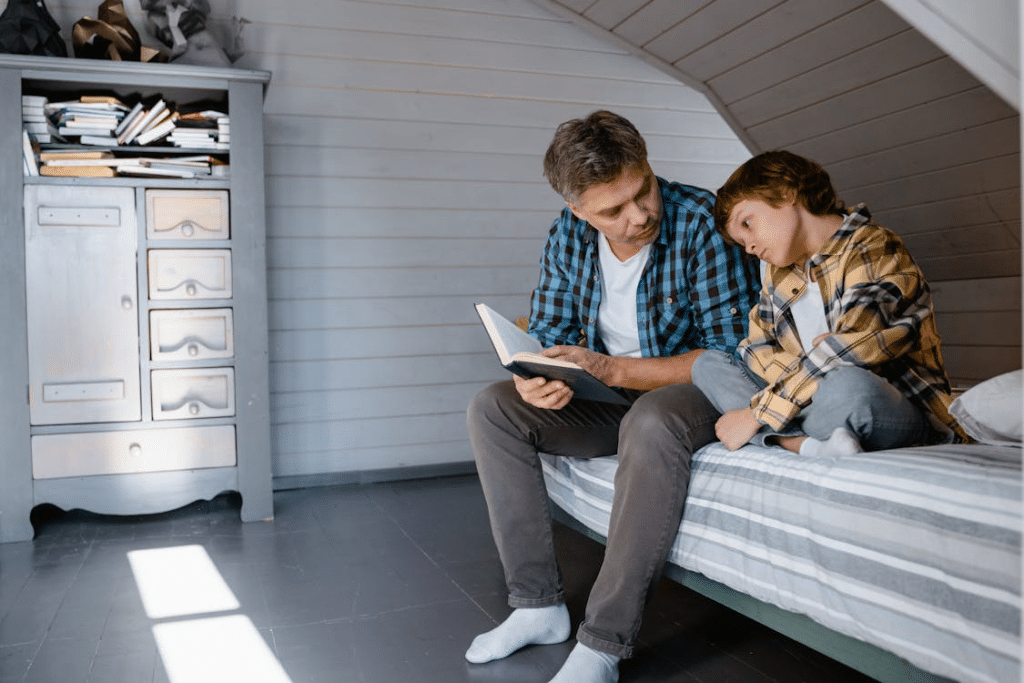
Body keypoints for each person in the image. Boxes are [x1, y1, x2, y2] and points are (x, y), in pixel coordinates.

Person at [465, 110, 759, 683]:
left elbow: (733, 353)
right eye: (613, 210)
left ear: (648, 165)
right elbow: (550, 332)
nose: (639, 215)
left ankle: (604, 641)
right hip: (606, 393)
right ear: (579, 210)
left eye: (643, 190)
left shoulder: (702, 221)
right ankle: (536, 606)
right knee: (492, 408)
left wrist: (614, 368)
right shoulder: (566, 232)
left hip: (694, 388)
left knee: (649, 419)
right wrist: (537, 377)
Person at [691, 150, 968, 456]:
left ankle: (782, 434)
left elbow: (852, 350)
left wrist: (757, 413)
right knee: (708, 364)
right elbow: (753, 348)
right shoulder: (778, 273)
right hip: (813, 403)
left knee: (848, 385)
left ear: (786, 192)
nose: (750, 247)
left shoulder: (871, 246)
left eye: (747, 224)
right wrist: (817, 364)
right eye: (742, 243)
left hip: (885, 405)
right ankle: (801, 444)